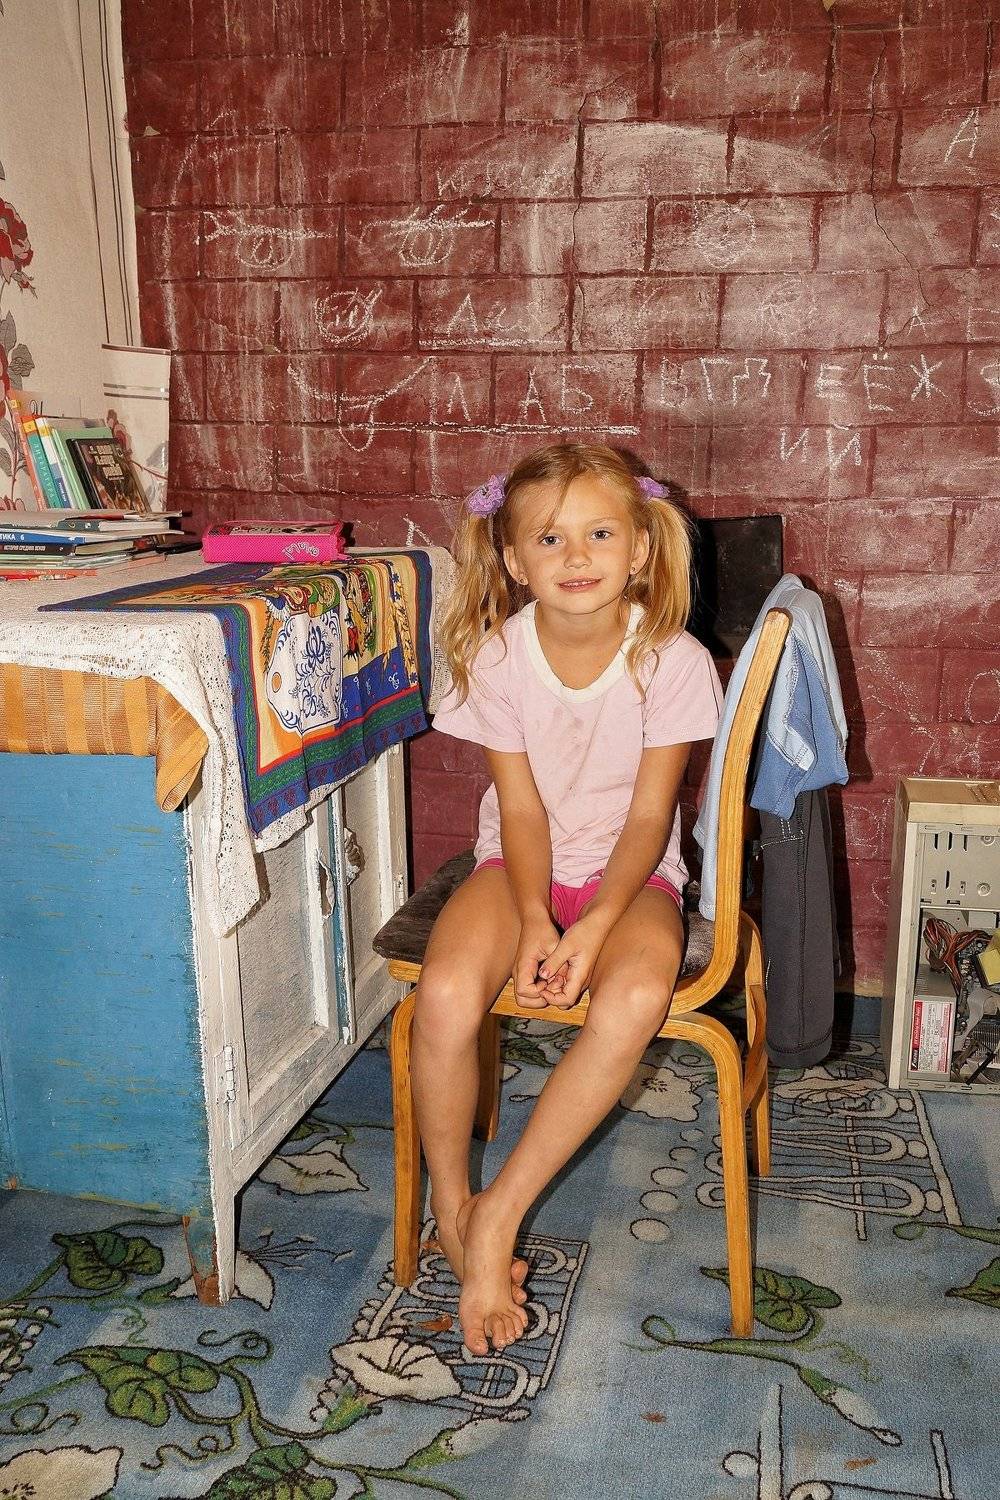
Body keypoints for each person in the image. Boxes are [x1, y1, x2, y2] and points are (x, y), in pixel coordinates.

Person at [413, 442, 723, 1358]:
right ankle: (451, 1208)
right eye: (549, 539)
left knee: (635, 995)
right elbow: (518, 810)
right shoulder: (496, 656)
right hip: (518, 865)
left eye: (599, 534)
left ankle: (499, 1212)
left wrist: (590, 925)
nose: (576, 556)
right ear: (514, 560)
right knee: (444, 994)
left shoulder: (672, 659)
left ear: (640, 548)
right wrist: (535, 917)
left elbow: (649, 818)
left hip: (634, 875)